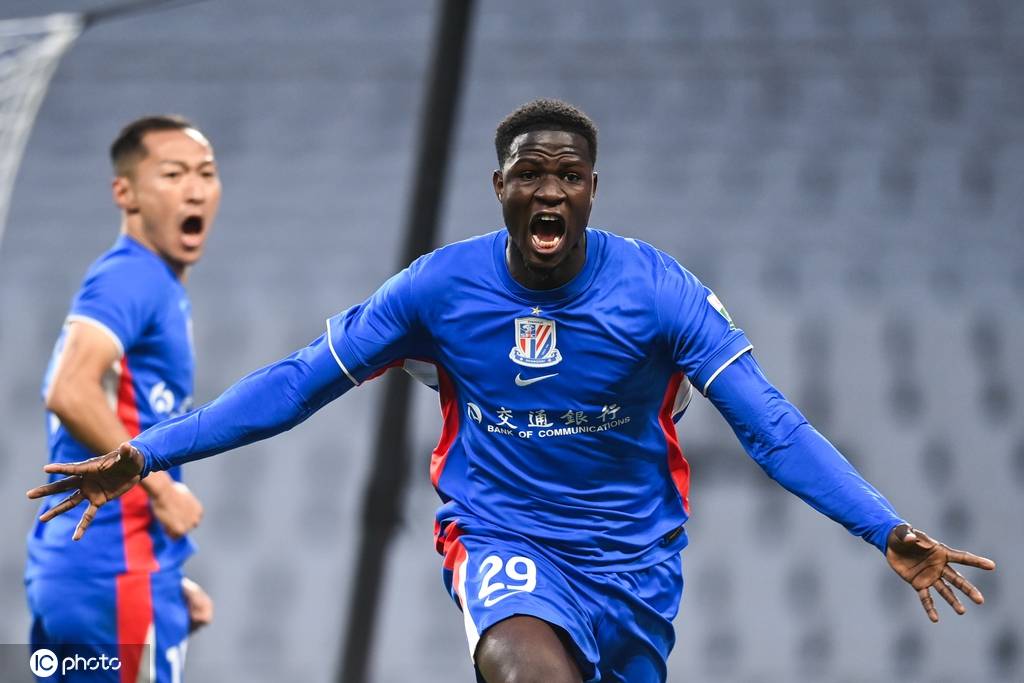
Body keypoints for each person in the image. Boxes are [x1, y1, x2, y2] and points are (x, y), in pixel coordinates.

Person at [28, 100, 994, 683]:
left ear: (593, 189)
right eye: (530, 173)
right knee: (523, 667)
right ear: (500, 186)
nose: (550, 191)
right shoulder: (439, 290)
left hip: (634, 567)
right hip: (502, 539)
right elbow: (296, 383)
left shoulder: (659, 293)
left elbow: (770, 426)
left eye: (568, 176)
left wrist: (883, 526)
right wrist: (148, 452)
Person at [27, 115, 219, 682]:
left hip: (87, 571)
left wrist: (168, 576)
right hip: (115, 572)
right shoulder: (132, 278)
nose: (194, 189)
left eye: (206, 173)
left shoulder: (147, 281)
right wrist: (162, 491)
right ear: (126, 192)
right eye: (173, 174)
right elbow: (69, 389)